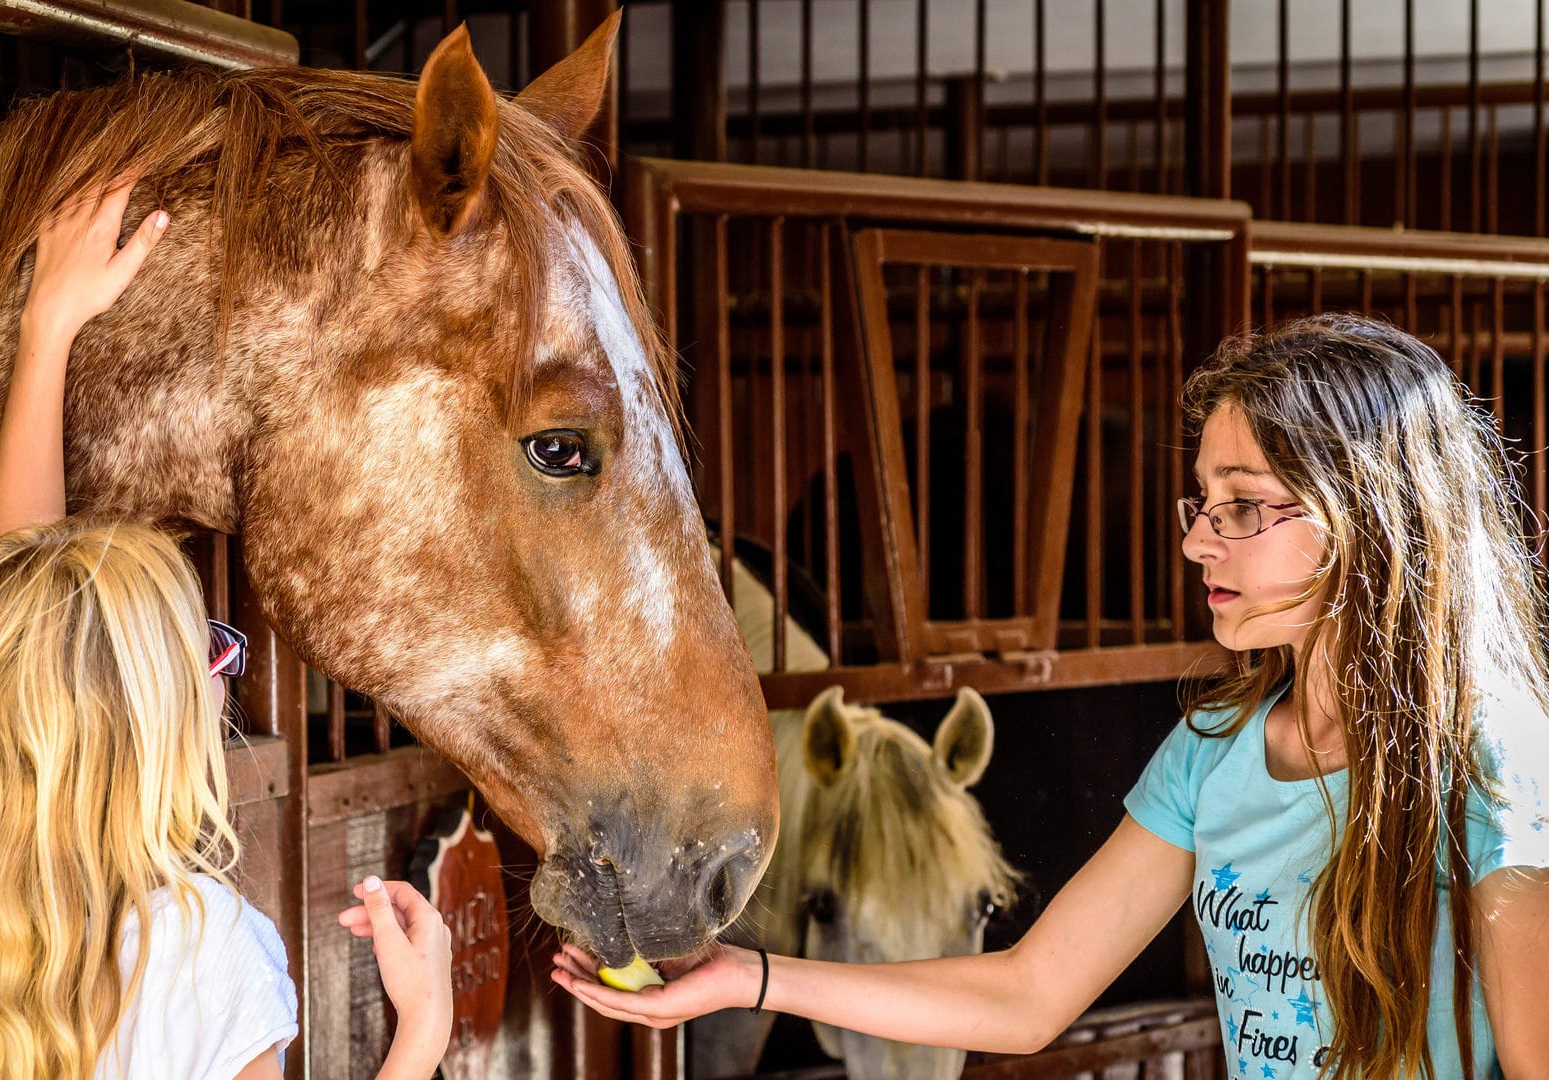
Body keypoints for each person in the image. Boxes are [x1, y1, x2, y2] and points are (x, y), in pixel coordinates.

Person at [554, 315, 1549, 1079]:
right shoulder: (1217, 749)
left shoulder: (1498, 771)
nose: (1199, 539)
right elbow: (1033, 993)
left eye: (1243, 507)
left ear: (1365, 521)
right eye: (1200, 503)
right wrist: (748, 976)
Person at [0, 178, 454, 1079]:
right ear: (145, 720)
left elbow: (29, 630)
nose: (226, 670)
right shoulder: (206, 951)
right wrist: (422, 1029)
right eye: (206, 647)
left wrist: (49, 334)